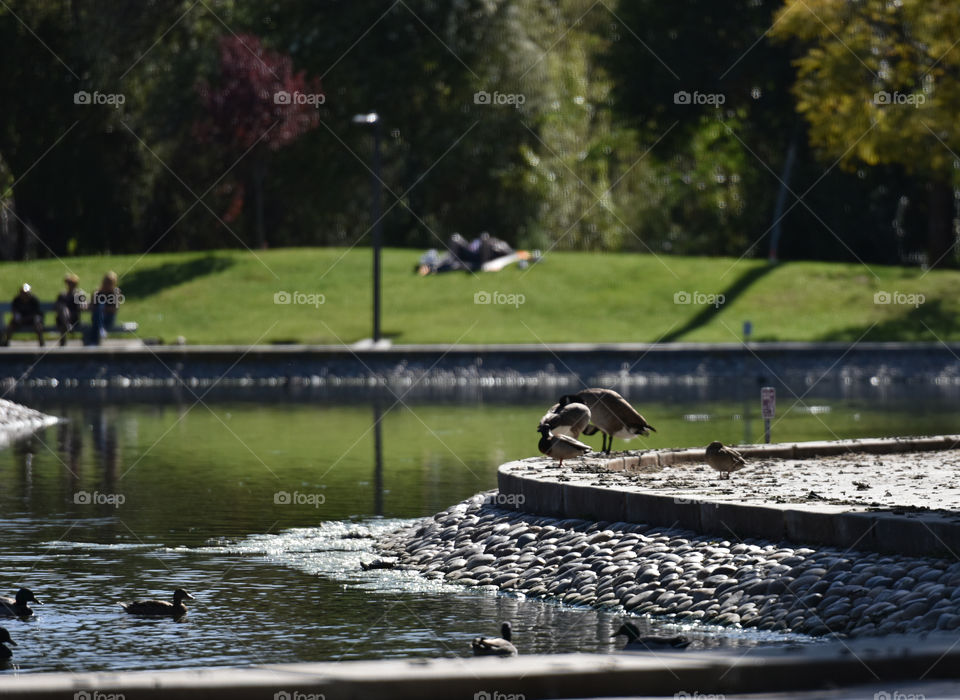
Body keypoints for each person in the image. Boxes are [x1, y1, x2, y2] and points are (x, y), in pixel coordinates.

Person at [85, 271, 122, 346]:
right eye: (106, 282)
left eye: (110, 283)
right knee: (99, 311)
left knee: (100, 308)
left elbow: (114, 309)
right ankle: (100, 331)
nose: (107, 284)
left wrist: (102, 309)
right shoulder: (97, 293)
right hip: (96, 318)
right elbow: (91, 306)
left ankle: (93, 342)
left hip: (108, 319)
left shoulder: (115, 294)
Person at [55, 273, 87, 346]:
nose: (70, 285)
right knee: (63, 308)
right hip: (61, 320)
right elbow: (56, 306)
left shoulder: (78, 294)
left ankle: (67, 325)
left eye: (72, 283)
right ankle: (67, 325)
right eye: (69, 283)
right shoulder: (62, 295)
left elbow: (83, 305)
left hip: (74, 319)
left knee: (64, 312)